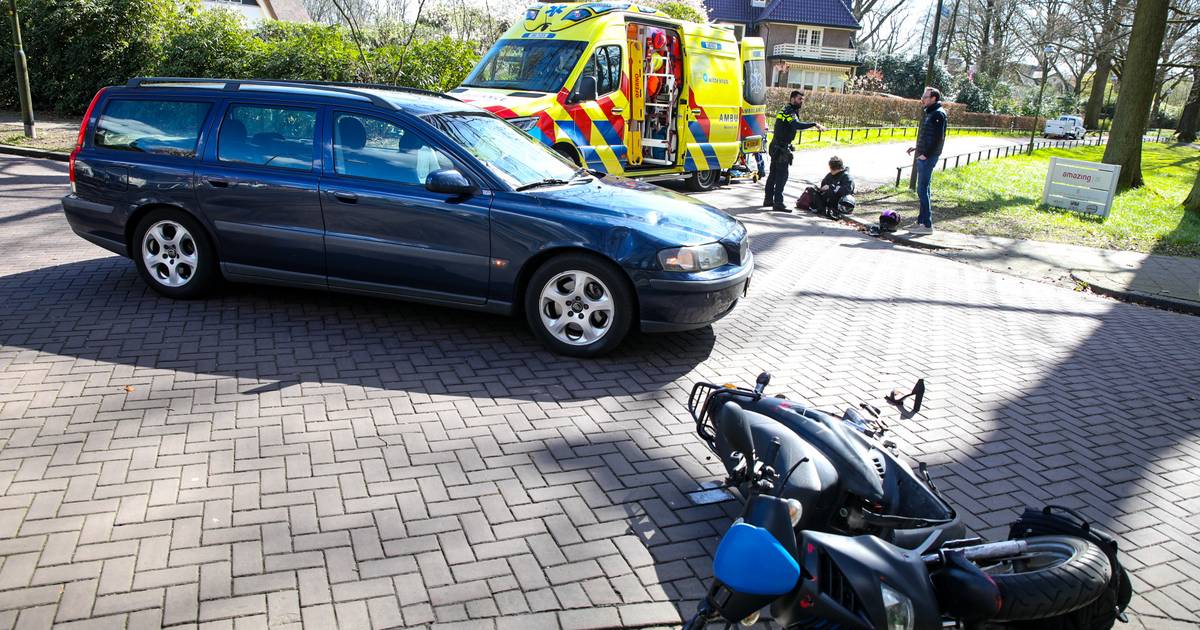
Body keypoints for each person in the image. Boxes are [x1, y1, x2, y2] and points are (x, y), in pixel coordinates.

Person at [764, 90, 826, 212]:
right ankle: (778, 203)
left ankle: (768, 200)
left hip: (777, 146)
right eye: (799, 99)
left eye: (802, 99)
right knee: (781, 176)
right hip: (780, 149)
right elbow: (796, 125)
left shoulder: (786, 109)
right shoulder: (789, 111)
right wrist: (814, 124)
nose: (801, 101)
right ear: (792, 99)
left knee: (773, 175)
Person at [906, 87, 947, 234]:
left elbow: (938, 139)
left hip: (928, 158)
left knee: (922, 190)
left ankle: (927, 225)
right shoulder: (930, 113)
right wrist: (917, 148)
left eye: (925, 96)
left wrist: (926, 154)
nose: (922, 98)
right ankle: (920, 222)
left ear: (933, 98)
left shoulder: (938, 114)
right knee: (924, 189)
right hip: (923, 155)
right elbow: (927, 136)